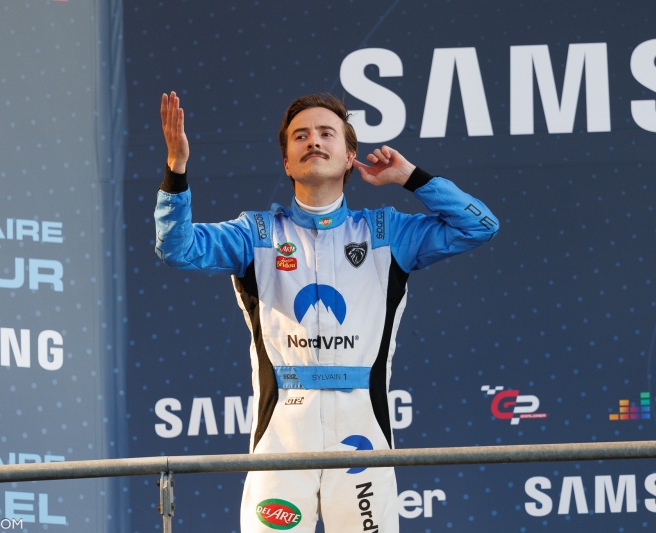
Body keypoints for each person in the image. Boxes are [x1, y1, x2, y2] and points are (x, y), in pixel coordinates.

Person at [154, 91, 498, 532]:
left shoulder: (386, 232)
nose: (313, 141)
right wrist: (176, 169)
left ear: (350, 155)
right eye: (300, 135)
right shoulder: (254, 233)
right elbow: (176, 249)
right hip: (282, 439)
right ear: (286, 162)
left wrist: (410, 177)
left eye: (325, 133)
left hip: (362, 437)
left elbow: (481, 225)